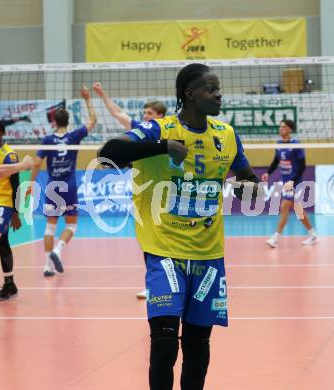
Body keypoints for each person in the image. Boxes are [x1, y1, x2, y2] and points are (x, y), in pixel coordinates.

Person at [98, 63, 260, 390]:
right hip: (164, 251)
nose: (219, 94)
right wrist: (162, 147)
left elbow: (246, 179)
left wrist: (253, 187)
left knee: (198, 345)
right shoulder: (160, 129)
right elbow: (107, 153)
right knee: (164, 343)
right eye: (211, 88)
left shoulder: (226, 135)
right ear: (189, 94)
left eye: (218, 88)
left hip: (208, 255)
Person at [93, 81, 167, 299]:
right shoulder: (140, 131)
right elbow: (117, 113)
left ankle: (169, 284)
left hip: (166, 194)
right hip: (144, 197)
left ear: (161, 115)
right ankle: (153, 285)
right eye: (144, 113)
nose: (145, 117)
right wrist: (102, 93)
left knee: (167, 244)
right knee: (148, 243)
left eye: (150, 113)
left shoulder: (170, 133)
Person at [26, 87, 96, 276]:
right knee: (72, 225)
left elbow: (37, 164)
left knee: (50, 226)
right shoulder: (74, 136)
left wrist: (31, 185)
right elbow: (93, 121)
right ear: (68, 121)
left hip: (52, 187)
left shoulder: (48, 139)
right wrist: (87, 99)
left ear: (54, 121)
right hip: (69, 187)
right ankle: (58, 249)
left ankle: (47, 265)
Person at [0, 119, 34, 300]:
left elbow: (16, 184)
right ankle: (10, 285)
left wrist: (16, 212)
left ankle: (9, 285)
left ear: (2, 133)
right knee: (2, 244)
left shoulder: (9, 155)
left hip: (3, 204)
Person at [262, 119, 317, 248]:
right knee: (298, 209)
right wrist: (268, 173)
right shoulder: (279, 144)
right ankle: (313, 234)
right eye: (280, 127)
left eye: (284, 127)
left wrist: (293, 181)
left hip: (295, 182)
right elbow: (276, 160)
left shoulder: (296, 144)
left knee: (285, 206)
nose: (281, 129)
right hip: (287, 182)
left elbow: (303, 165)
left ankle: (275, 238)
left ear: (290, 130)